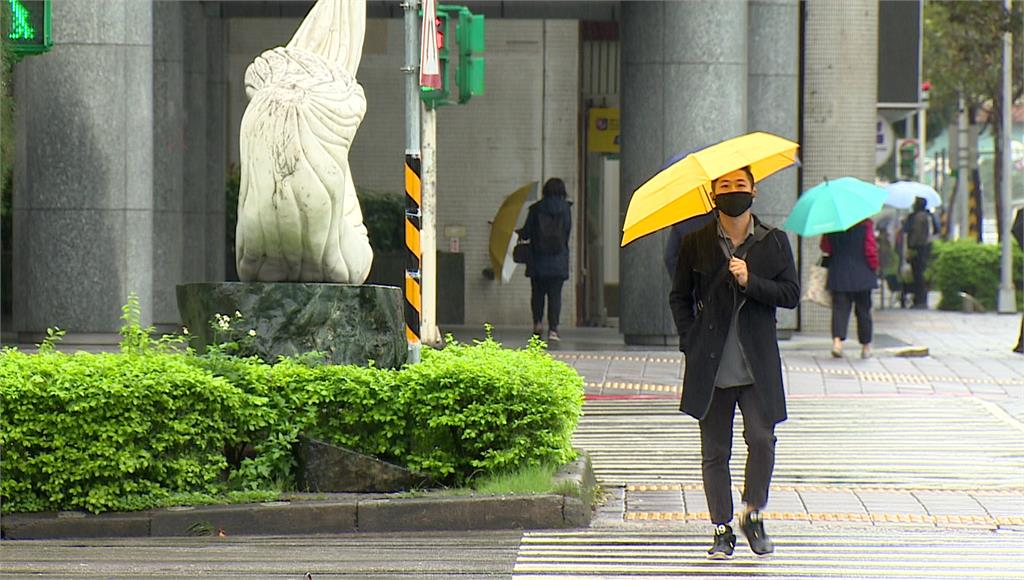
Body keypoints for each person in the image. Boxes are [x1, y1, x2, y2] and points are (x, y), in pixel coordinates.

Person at [669, 167, 800, 560]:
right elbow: (679, 296)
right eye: (724, 187)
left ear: (754, 191)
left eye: (739, 186)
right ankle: (721, 528)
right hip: (711, 363)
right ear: (713, 195)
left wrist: (750, 281)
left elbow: (791, 294)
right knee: (715, 451)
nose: (732, 192)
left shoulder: (774, 242)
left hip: (756, 364)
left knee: (762, 440)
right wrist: (689, 338)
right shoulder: (696, 243)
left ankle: (752, 514)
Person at [519, 178, 572, 341]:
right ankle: (553, 330)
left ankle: (537, 323)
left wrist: (518, 233)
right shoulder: (566, 209)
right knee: (555, 296)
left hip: (538, 259)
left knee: (537, 294)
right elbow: (567, 233)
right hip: (558, 259)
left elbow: (527, 232)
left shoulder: (536, 208)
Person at [820, 219, 879, 358]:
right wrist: (874, 266)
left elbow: (825, 247)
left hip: (839, 272)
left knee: (840, 309)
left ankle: (837, 343)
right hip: (862, 274)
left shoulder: (832, 223)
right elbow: (870, 249)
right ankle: (866, 347)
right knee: (863, 311)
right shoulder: (866, 224)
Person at [902, 198, 934, 309]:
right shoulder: (929, 216)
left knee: (917, 274)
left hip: (916, 248)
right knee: (921, 274)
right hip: (926, 248)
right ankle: (921, 300)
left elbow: (906, 230)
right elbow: (937, 230)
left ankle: (919, 301)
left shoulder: (915, 217)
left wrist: (909, 248)